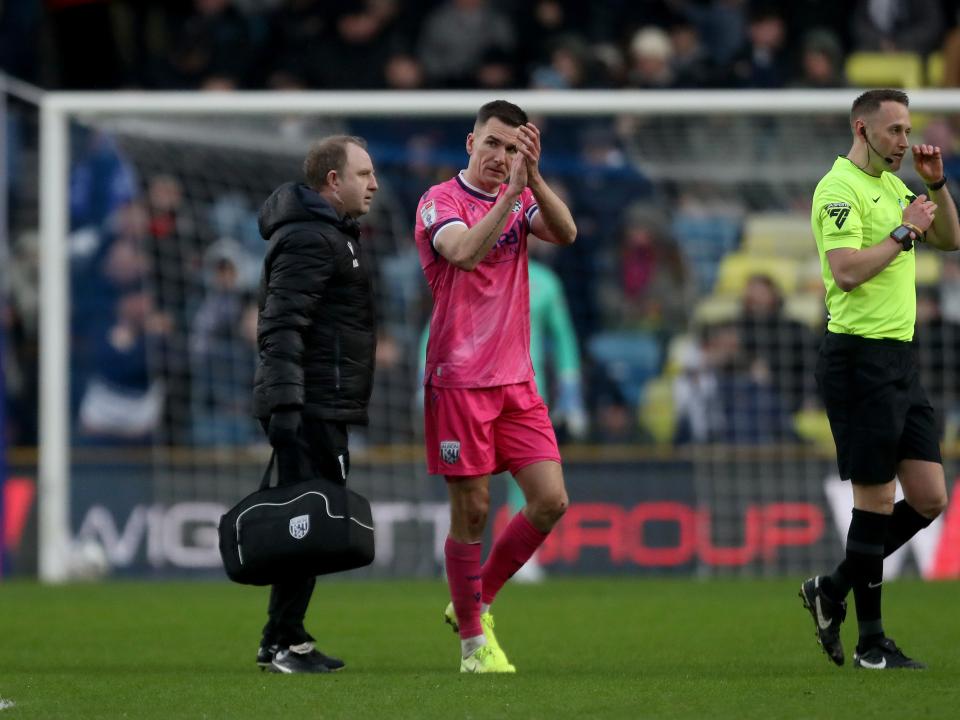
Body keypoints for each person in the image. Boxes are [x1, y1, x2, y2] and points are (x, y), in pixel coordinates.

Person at [414, 100, 576, 673]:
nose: (500, 157)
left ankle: (473, 602)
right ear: (470, 143)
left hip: (516, 380)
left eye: (512, 149)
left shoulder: (522, 190)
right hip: (459, 382)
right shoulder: (440, 201)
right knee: (475, 510)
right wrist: (510, 196)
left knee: (550, 500)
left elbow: (566, 232)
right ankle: (473, 647)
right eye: (493, 145)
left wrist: (532, 180)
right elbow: (461, 253)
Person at [801, 89, 959, 670]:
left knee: (929, 497)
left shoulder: (898, 188)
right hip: (858, 359)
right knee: (875, 499)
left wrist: (936, 186)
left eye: (906, 129)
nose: (903, 140)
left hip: (900, 360)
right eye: (893, 130)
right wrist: (903, 234)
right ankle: (871, 644)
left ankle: (833, 588)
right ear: (861, 129)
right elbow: (844, 273)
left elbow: (951, 239)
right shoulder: (837, 188)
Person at [252, 135, 379, 674]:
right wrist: (285, 404)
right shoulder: (310, 238)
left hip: (320, 403)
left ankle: (285, 638)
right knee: (304, 525)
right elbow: (281, 324)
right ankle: (282, 642)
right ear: (334, 180)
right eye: (364, 174)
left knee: (309, 524)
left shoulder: (330, 234)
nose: (374, 184)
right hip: (309, 407)